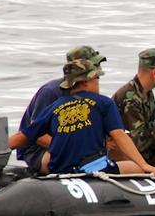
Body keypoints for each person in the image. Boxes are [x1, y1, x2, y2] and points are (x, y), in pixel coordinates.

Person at [9, 58, 155, 176]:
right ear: (85, 82)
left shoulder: (55, 106)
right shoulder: (104, 103)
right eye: (97, 78)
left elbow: (22, 136)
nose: (98, 83)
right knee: (135, 168)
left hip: (59, 170)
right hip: (91, 169)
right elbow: (119, 135)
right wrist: (144, 165)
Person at [16, 45, 106, 173]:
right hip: (39, 149)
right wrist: (70, 150)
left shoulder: (92, 93)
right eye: (95, 64)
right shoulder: (51, 92)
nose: (100, 69)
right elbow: (38, 136)